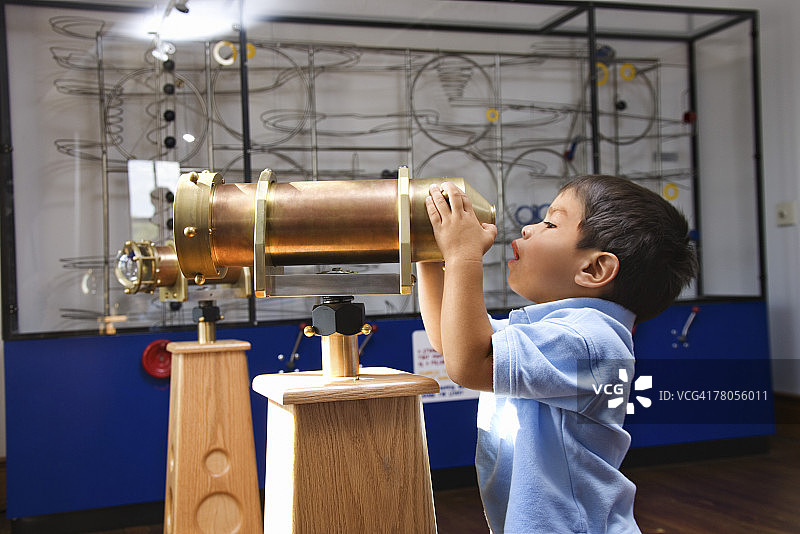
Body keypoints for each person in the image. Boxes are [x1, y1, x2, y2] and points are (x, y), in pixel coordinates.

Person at [417, 175, 697, 533]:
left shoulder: (590, 340)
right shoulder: (557, 332)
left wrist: (463, 255)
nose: (530, 229)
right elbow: (451, 340)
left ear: (594, 269)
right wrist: (430, 253)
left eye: (550, 223)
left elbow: (469, 362)